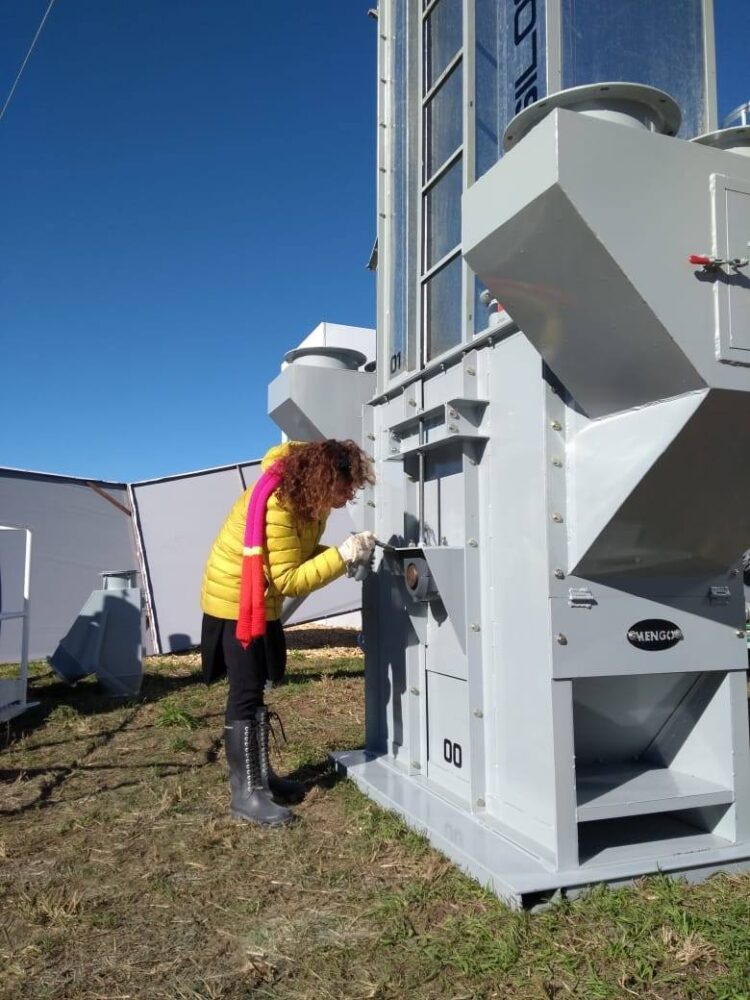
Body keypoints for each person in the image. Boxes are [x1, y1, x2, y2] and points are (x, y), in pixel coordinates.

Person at [200, 438, 376, 826]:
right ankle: (245, 794)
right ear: (323, 477)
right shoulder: (278, 504)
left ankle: (261, 778)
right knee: (245, 693)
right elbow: (288, 578)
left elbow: (296, 555)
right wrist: (342, 556)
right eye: (345, 487)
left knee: (257, 687)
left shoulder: (308, 503)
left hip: (256, 600)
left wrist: (339, 552)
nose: (349, 496)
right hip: (237, 605)